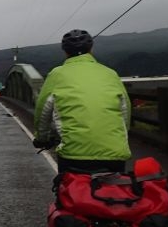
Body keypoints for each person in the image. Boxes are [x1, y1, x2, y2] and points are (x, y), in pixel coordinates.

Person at [32, 29, 131, 173]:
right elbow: (125, 110)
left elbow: (42, 111)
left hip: (73, 154)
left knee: (69, 192)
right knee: (114, 193)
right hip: (115, 152)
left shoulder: (56, 74)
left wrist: (42, 138)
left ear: (65, 52)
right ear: (91, 49)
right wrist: (121, 136)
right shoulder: (110, 73)